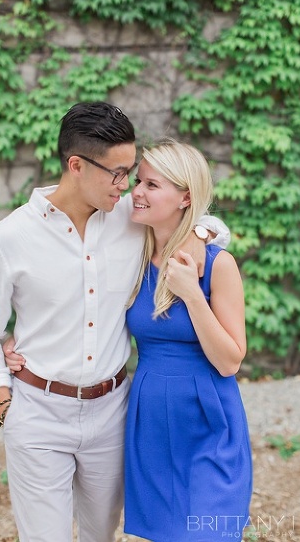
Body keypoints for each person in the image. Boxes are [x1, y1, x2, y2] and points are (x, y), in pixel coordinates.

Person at [0, 101, 229, 542]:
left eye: (133, 173)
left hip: (112, 411)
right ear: (77, 165)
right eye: (119, 173)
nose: (128, 186)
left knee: (100, 536)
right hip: (37, 413)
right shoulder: (7, 240)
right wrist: (4, 403)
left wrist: (200, 235)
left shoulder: (131, 218)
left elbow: (201, 217)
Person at [122, 140, 251, 541]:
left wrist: (193, 295)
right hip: (150, 424)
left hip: (209, 422)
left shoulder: (217, 264)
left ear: (186, 197)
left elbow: (230, 362)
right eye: (137, 181)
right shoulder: (130, 254)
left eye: (151, 185)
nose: (137, 192)